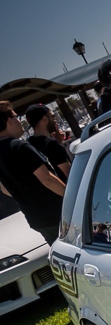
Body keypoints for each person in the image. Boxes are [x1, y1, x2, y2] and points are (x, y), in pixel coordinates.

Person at [0, 101, 65, 244]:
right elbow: (47, 179)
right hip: (57, 213)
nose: (19, 121)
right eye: (17, 117)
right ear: (9, 120)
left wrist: (28, 195)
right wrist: (72, 198)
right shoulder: (20, 146)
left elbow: (5, 189)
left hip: (36, 219)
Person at [24, 104, 71, 179]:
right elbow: (70, 175)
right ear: (45, 119)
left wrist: (59, 143)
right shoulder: (52, 145)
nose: (55, 120)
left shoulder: (28, 144)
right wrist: (59, 145)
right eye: (52, 117)